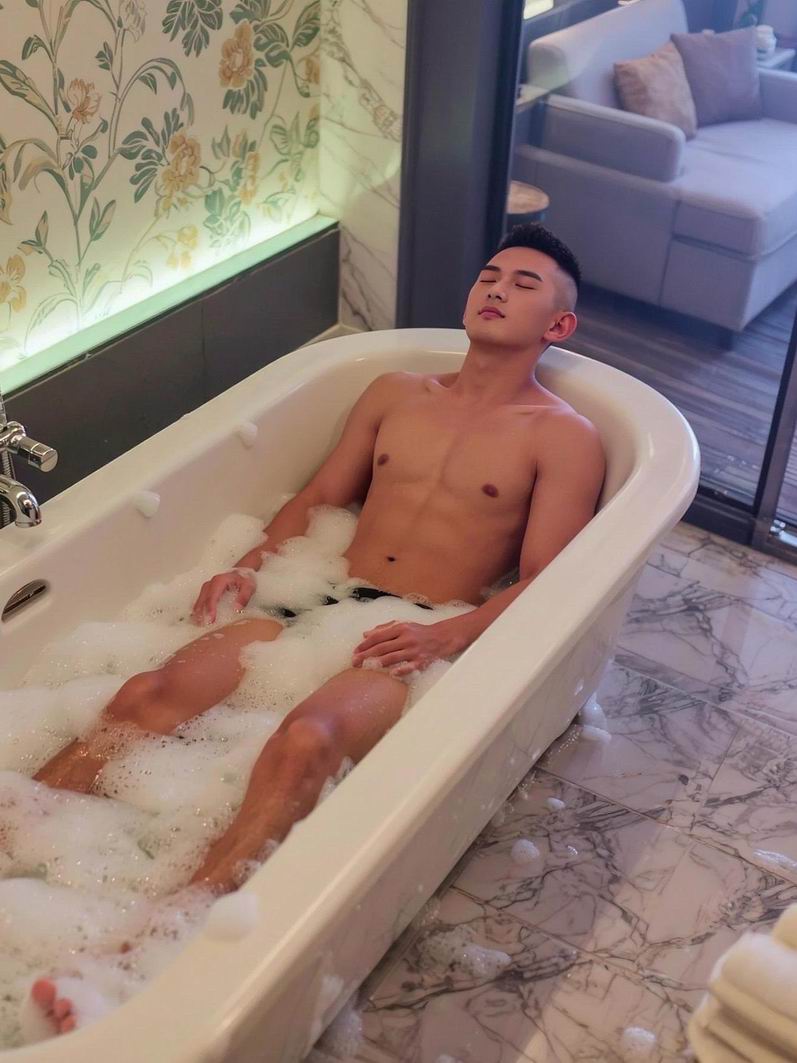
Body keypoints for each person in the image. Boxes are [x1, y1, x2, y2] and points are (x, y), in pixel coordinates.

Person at [29, 222, 605, 1032]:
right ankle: (23, 825)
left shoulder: (562, 436)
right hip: (316, 591)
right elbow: (319, 498)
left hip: (413, 627)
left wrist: (449, 636)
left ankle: (152, 941)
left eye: (523, 283)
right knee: (145, 692)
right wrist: (253, 562)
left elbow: (548, 578)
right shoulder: (395, 392)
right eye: (490, 273)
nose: (495, 288)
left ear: (558, 324)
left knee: (304, 739)